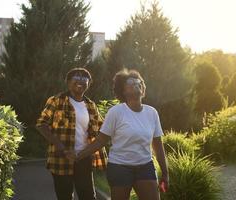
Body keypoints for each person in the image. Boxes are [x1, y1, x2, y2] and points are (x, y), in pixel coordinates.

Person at [77, 69, 169, 200]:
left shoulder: (152, 112)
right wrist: (78, 155)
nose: (137, 84)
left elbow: (158, 145)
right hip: (120, 167)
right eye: (131, 82)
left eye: (139, 82)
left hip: (145, 166)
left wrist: (165, 173)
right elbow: (101, 140)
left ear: (143, 89)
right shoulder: (116, 112)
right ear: (123, 91)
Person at [36, 68, 107, 200]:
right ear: (68, 82)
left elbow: (102, 129)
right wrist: (62, 148)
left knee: (88, 196)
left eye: (84, 79)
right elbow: (41, 124)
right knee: (65, 196)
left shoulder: (91, 105)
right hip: (61, 158)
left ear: (89, 83)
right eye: (76, 78)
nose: (80, 81)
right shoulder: (56, 100)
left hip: (83, 157)